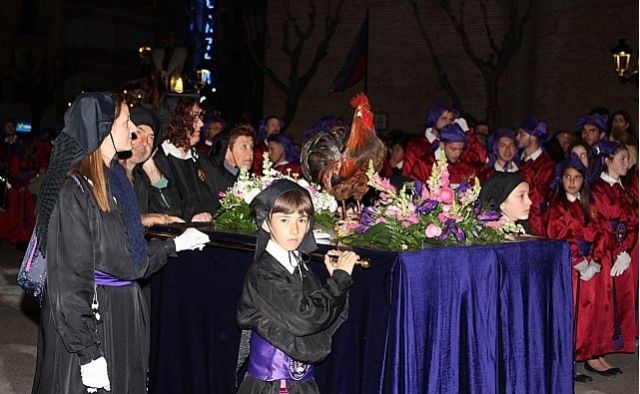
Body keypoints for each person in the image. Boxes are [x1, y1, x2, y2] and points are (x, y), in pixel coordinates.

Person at [31, 92, 210, 393]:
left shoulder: (115, 181)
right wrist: (88, 355)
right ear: (103, 128)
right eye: (127, 122)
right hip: (95, 319)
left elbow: (130, 261)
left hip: (122, 314)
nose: (133, 130)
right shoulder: (72, 190)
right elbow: (68, 281)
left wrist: (173, 246)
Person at [236, 179, 358, 393]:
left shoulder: (301, 268)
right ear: (266, 223)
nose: (294, 229)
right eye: (284, 220)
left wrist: (336, 281)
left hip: (301, 386)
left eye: (302, 220)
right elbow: (306, 319)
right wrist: (338, 281)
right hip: (271, 387)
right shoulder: (264, 273)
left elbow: (327, 324)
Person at [546, 154, 605, 382]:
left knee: (587, 313)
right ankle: (567, 362)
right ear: (562, 179)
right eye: (568, 177)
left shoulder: (588, 205)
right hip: (570, 267)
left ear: (584, 180)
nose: (572, 182)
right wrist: (579, 261)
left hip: (589, 263)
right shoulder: (558, 207)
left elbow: (601, 232)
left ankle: (586, 353)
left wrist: (596, 258)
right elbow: (560, 235)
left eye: (577, 178)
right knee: (570, 312)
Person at [588, 140, 638, 374]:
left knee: (619, 301)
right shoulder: (597, 189)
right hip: (604, 251)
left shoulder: (623, 189)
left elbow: (632, 221)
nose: (627, 163)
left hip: (620, 252)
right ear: (607, 161)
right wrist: (613, 249)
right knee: (601, 303)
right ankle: (593, 354)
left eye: (627, 159)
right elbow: (599, 224)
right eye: (622, 159)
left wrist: (627, 249)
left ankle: (605, 349)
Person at [154, 96, 223, 220]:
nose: (201, 124)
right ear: (176, 121)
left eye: (200, 117)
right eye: (194, 117)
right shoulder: (158, 161)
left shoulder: (200, 160)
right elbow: (164, 208)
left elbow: (217, 196)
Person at [126, 106, 184, 226]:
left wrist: (150, 167)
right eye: (139, 132)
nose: (145, 143)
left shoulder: (141, 179)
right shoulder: (105, 173)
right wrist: (141, 219)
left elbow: (172, 212)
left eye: (151, 137)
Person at [516, 118, 555, 236]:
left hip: (535, 221)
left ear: (532, 137)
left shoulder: (546, 164)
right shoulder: (517, 160)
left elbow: (537, 196)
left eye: (521, 134)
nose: (517, 137)